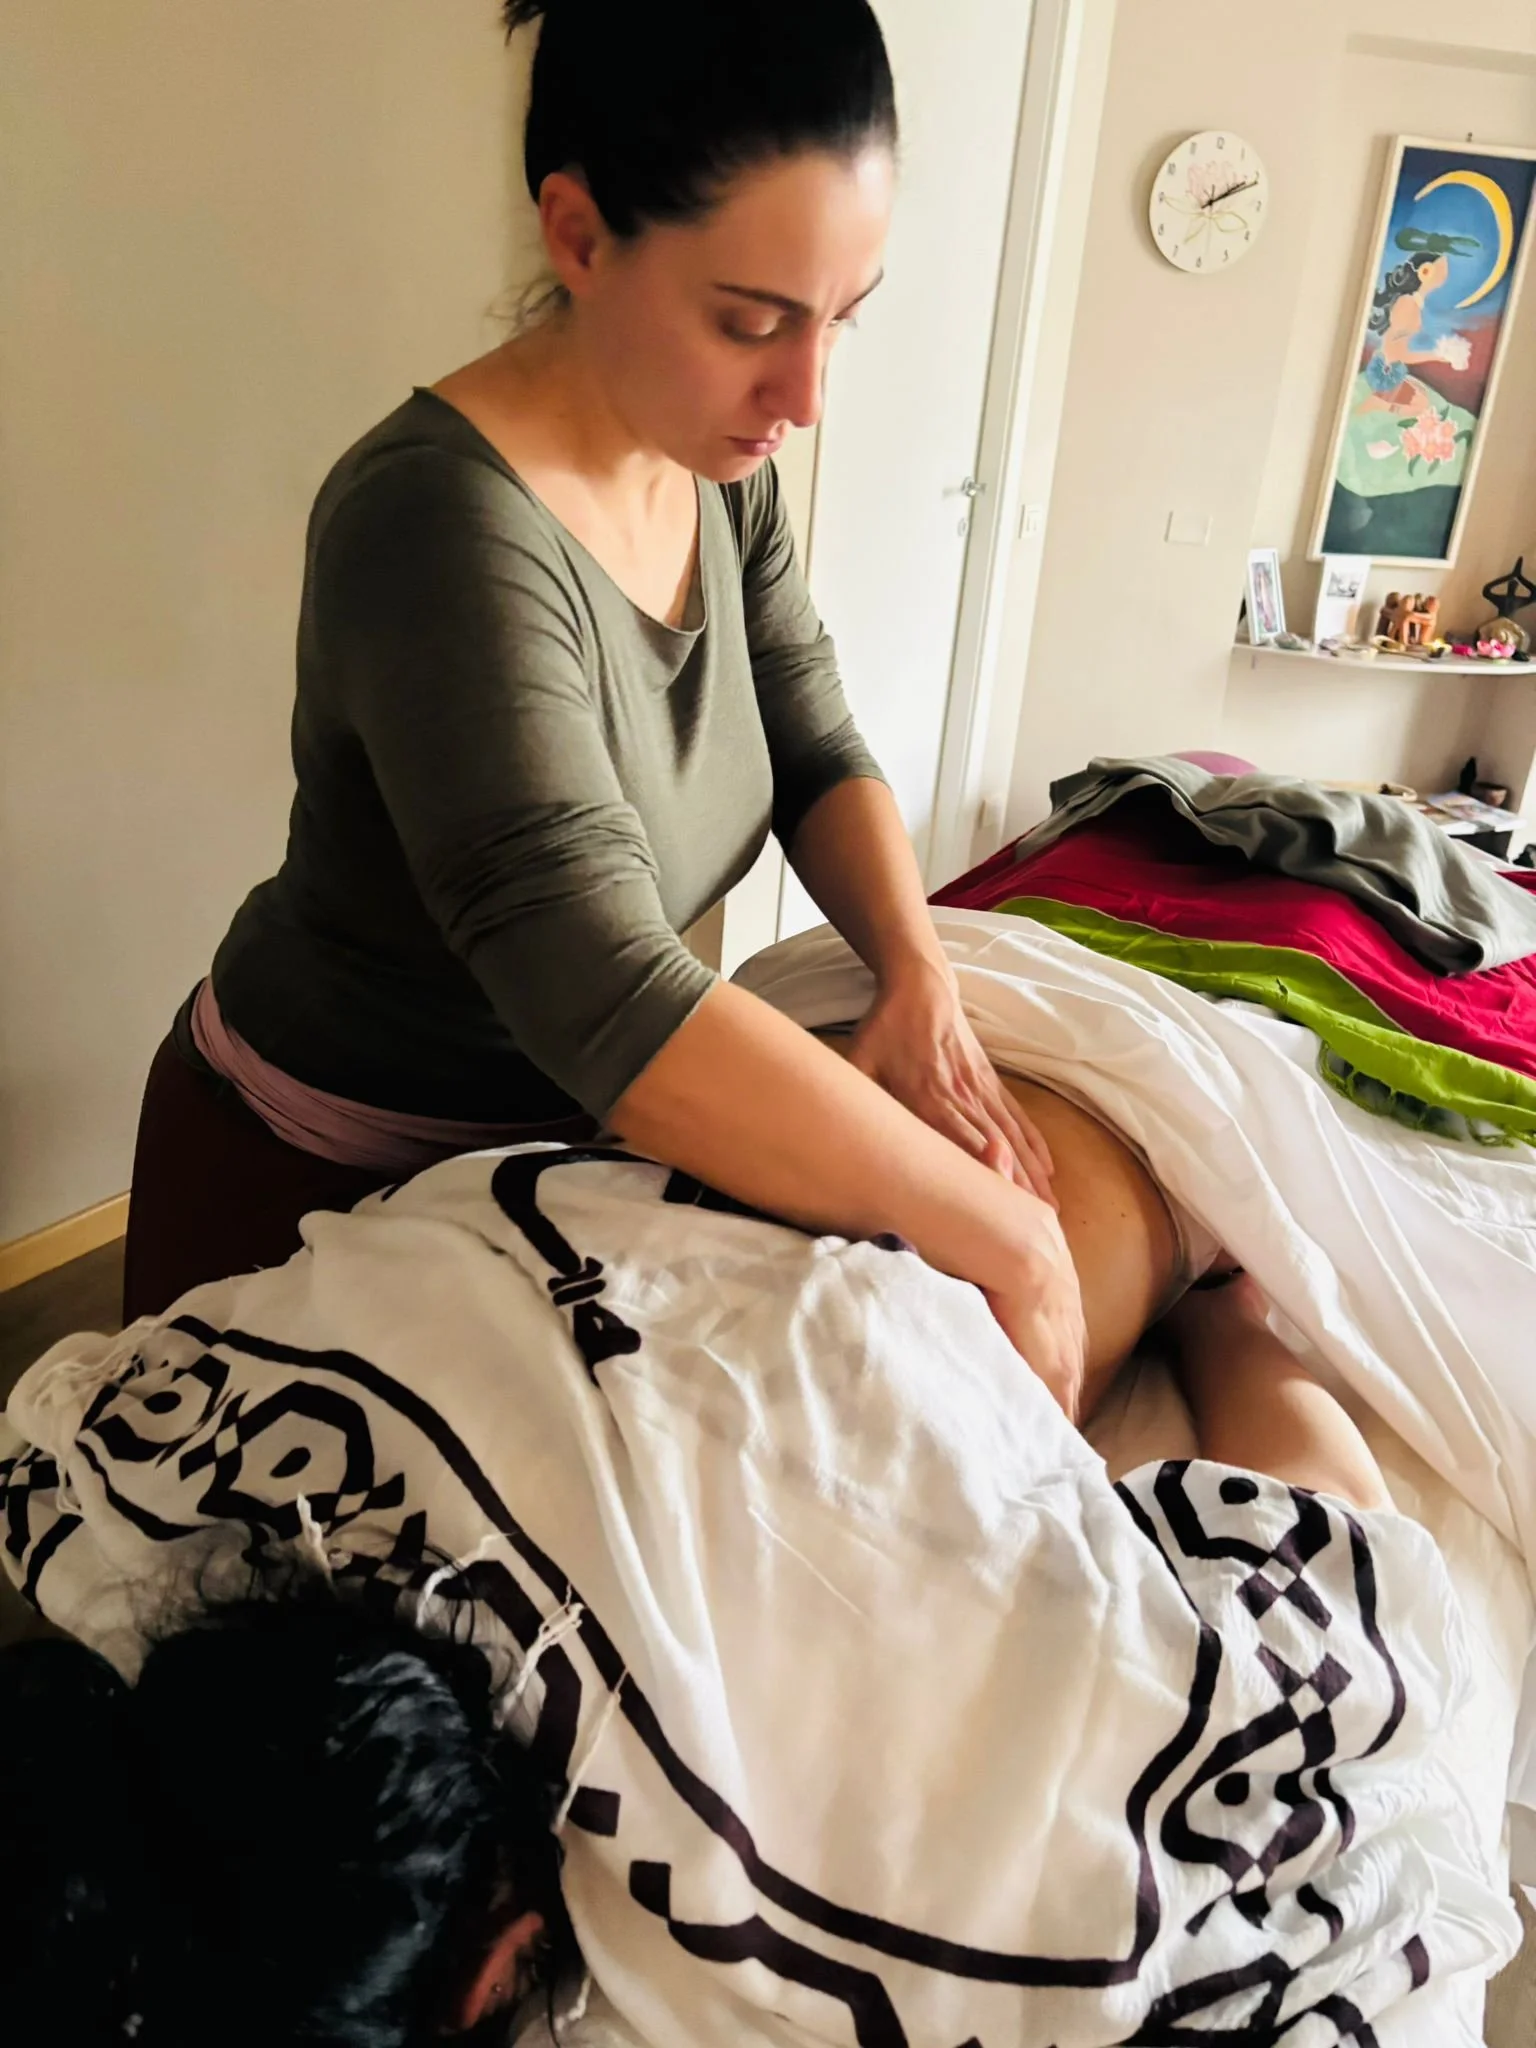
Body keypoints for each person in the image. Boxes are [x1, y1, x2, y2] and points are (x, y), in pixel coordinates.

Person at [122, 0, 1081, 1396]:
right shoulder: (437, 524)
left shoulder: (718, 470)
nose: (805, 392)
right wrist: (1011, 1243)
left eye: (841, 318)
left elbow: (813, 742)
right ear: (576, 234)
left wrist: (915, 974)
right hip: (319, 1183)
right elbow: (608, 995)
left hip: (549, 1161)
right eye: (752, 321)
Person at [2, 1134, 1395, 2047]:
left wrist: (1228, 1317)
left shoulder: (857, 1846)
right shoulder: (105, 1488)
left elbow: (1335, 1579)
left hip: (1082, 1170)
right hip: (779, 1153)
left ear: (489, 1976)